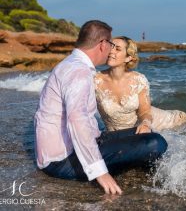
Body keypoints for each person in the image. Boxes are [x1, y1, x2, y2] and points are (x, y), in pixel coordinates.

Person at [34, 20, 167, 195]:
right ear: (103, 44)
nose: (111, 49)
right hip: (62, 161)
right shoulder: (79, 72)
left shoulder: (73, 64)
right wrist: (101, 173)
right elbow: (76, 120)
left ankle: (147, 175)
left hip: (80, 144)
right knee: (155, 143)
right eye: (111, 44)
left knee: (146, 134)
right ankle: (154, 184)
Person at [95, 36, 186, 133]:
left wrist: (145, 123)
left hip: (157, 122)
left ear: (128, 58)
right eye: (110, 47)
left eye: (117, 49)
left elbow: (145, 111)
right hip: (116, 134)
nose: (111, 51)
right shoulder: (95, 80)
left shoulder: (138, 80)